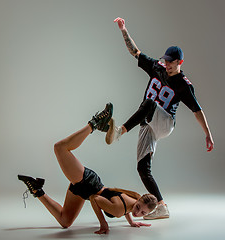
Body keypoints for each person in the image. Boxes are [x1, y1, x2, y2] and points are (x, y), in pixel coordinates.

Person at [107, 17, 214, 220]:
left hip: (164, 123)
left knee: (150, 102)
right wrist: (123, 30)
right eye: (165, 61)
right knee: (142, 168)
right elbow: (135, 52)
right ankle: (162, 206)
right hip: (148, 123)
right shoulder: (157, 67)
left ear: (180, 62)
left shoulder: (183, 84)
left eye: (171, 63)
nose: (167, 65)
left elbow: (197, 111)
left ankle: (119, 131)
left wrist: (207, 134)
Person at [18, 103, 158, 235]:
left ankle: (37, 189)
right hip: (88, 183)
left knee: (65, 222)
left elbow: (126, 208)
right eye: (139, 207)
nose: (138, 212)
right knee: (59, 148)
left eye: (143, 213)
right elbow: (94, 198)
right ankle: (94, 123)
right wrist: (103, 223)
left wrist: (132, 222)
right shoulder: (120, 208)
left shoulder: (133, 199)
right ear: (139, 200)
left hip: (85, 189)